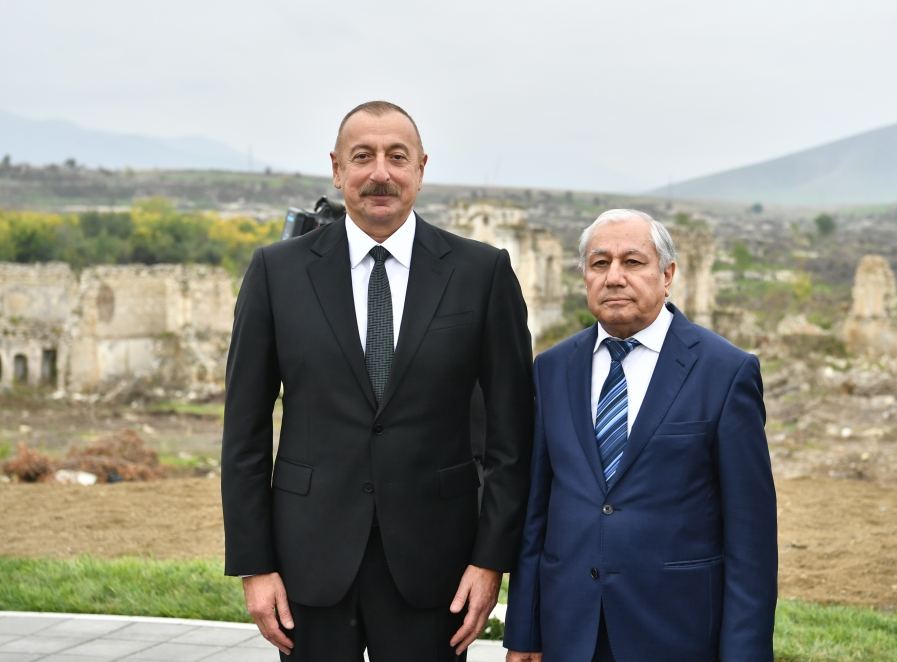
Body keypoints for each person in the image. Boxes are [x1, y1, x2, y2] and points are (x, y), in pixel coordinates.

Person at [221, 100, 534, 661]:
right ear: (338, 169)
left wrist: (490, 562)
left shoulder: (482, 273)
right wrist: (255, 564)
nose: (380, 173)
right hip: (308, 564)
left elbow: (513, 437)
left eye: (397, 156)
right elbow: (243, 432)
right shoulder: (277, 272)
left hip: (436, 567)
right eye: (362, 156)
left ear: (421, 168)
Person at [503, 210, 777, 662]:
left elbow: (751, 541)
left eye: (632, 262)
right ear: (584, 276)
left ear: (667, 275)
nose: (614, 278)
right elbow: (537, 513)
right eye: (599, 264)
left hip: (676, 632)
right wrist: (525, 632)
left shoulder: (725, 372)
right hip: (569, 631)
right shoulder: (551, 369)